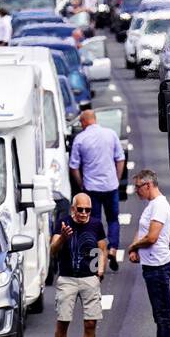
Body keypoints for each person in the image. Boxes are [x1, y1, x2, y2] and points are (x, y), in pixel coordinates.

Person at [49, 193, 108, 337]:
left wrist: (100, 270)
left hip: (89, 278)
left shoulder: (96, 225)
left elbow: (102, 249)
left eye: (87, 210)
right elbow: (52, 250)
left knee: (91, 322)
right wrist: (63, 238)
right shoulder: (63, 223)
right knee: (63, 321)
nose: (83, 213)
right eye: (80, 209)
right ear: (73, 208)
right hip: (67, 278)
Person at [130, 170, 170, 337]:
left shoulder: (159, 205)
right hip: (151, 267)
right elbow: (143, 232)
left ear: (148, 185)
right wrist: (135, 249)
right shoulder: (152, 206)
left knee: (164, 317)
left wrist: (134, 245)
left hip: (158, 267)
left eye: (138, 187)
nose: (136, 192)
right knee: (160, 316)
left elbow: (152, 237)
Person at [69, 109, 126, 270]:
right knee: (113, 219)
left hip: (91, 187)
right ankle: (113, 248)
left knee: (93, 222)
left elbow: (74, 166)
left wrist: (81, 185)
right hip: (110, 186)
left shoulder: (80, 139)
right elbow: (120, 158)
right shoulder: (111, 134)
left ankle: (97, 258)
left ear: (84, 122)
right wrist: (117, 178)